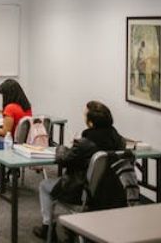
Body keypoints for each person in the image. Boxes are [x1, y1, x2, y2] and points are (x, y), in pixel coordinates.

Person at [32, 101, 126, 240]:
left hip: (83, 193)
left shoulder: (84, 143)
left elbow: (64, 160)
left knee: (44, 185)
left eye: (85, 115)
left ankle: (47, 228)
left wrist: (62, 147)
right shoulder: (120, 141)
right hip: (111, 194)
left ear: (91, 123)